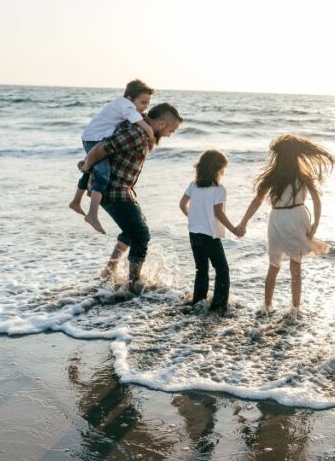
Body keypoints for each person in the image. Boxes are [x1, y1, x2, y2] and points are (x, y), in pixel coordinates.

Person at [78, 102, 183, 297]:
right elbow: (102, 148)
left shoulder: (143, 131)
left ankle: (109, 271)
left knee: (133, 229)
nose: (170, 134)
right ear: (160, 123)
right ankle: (134, 283)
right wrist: (86, 166)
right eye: (171, 129)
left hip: (123, 190)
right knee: (141, 235)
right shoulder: (136, 133)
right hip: (113, 191)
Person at [236, 135, 335, 312]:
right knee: (295, 265)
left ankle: (266, 306)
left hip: (277, 219)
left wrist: (243, 222)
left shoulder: (272, 177)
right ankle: (296, 307)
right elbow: (317, 201)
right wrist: (316, 224)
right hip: (297, 217)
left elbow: (257, 201)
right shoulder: (304, 176)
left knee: (274, 265)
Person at [70, 79, 157, 234]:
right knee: (103, 176)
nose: (145, 107)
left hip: (93, 137)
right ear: (130, 98)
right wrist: (150, 133)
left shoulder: (123, 104)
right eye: (143, 103)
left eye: (148, 104)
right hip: (94, 139)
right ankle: (92, 214)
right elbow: (143, 125)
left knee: (92, 170)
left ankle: (76, 201)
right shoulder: (126, 106)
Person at [179, 150, 241, 312]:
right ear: (217, 169)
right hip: (209, 235)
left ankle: (198, 301)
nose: (223, 173)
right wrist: (234, 229)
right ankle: (219, 305)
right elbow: (218, 212)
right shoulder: (219, 189)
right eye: (223, 169)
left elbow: (182, 204)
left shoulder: (193, 185)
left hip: (194, 232)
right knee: (222, 269)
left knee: (201, 269)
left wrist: (193, 218)